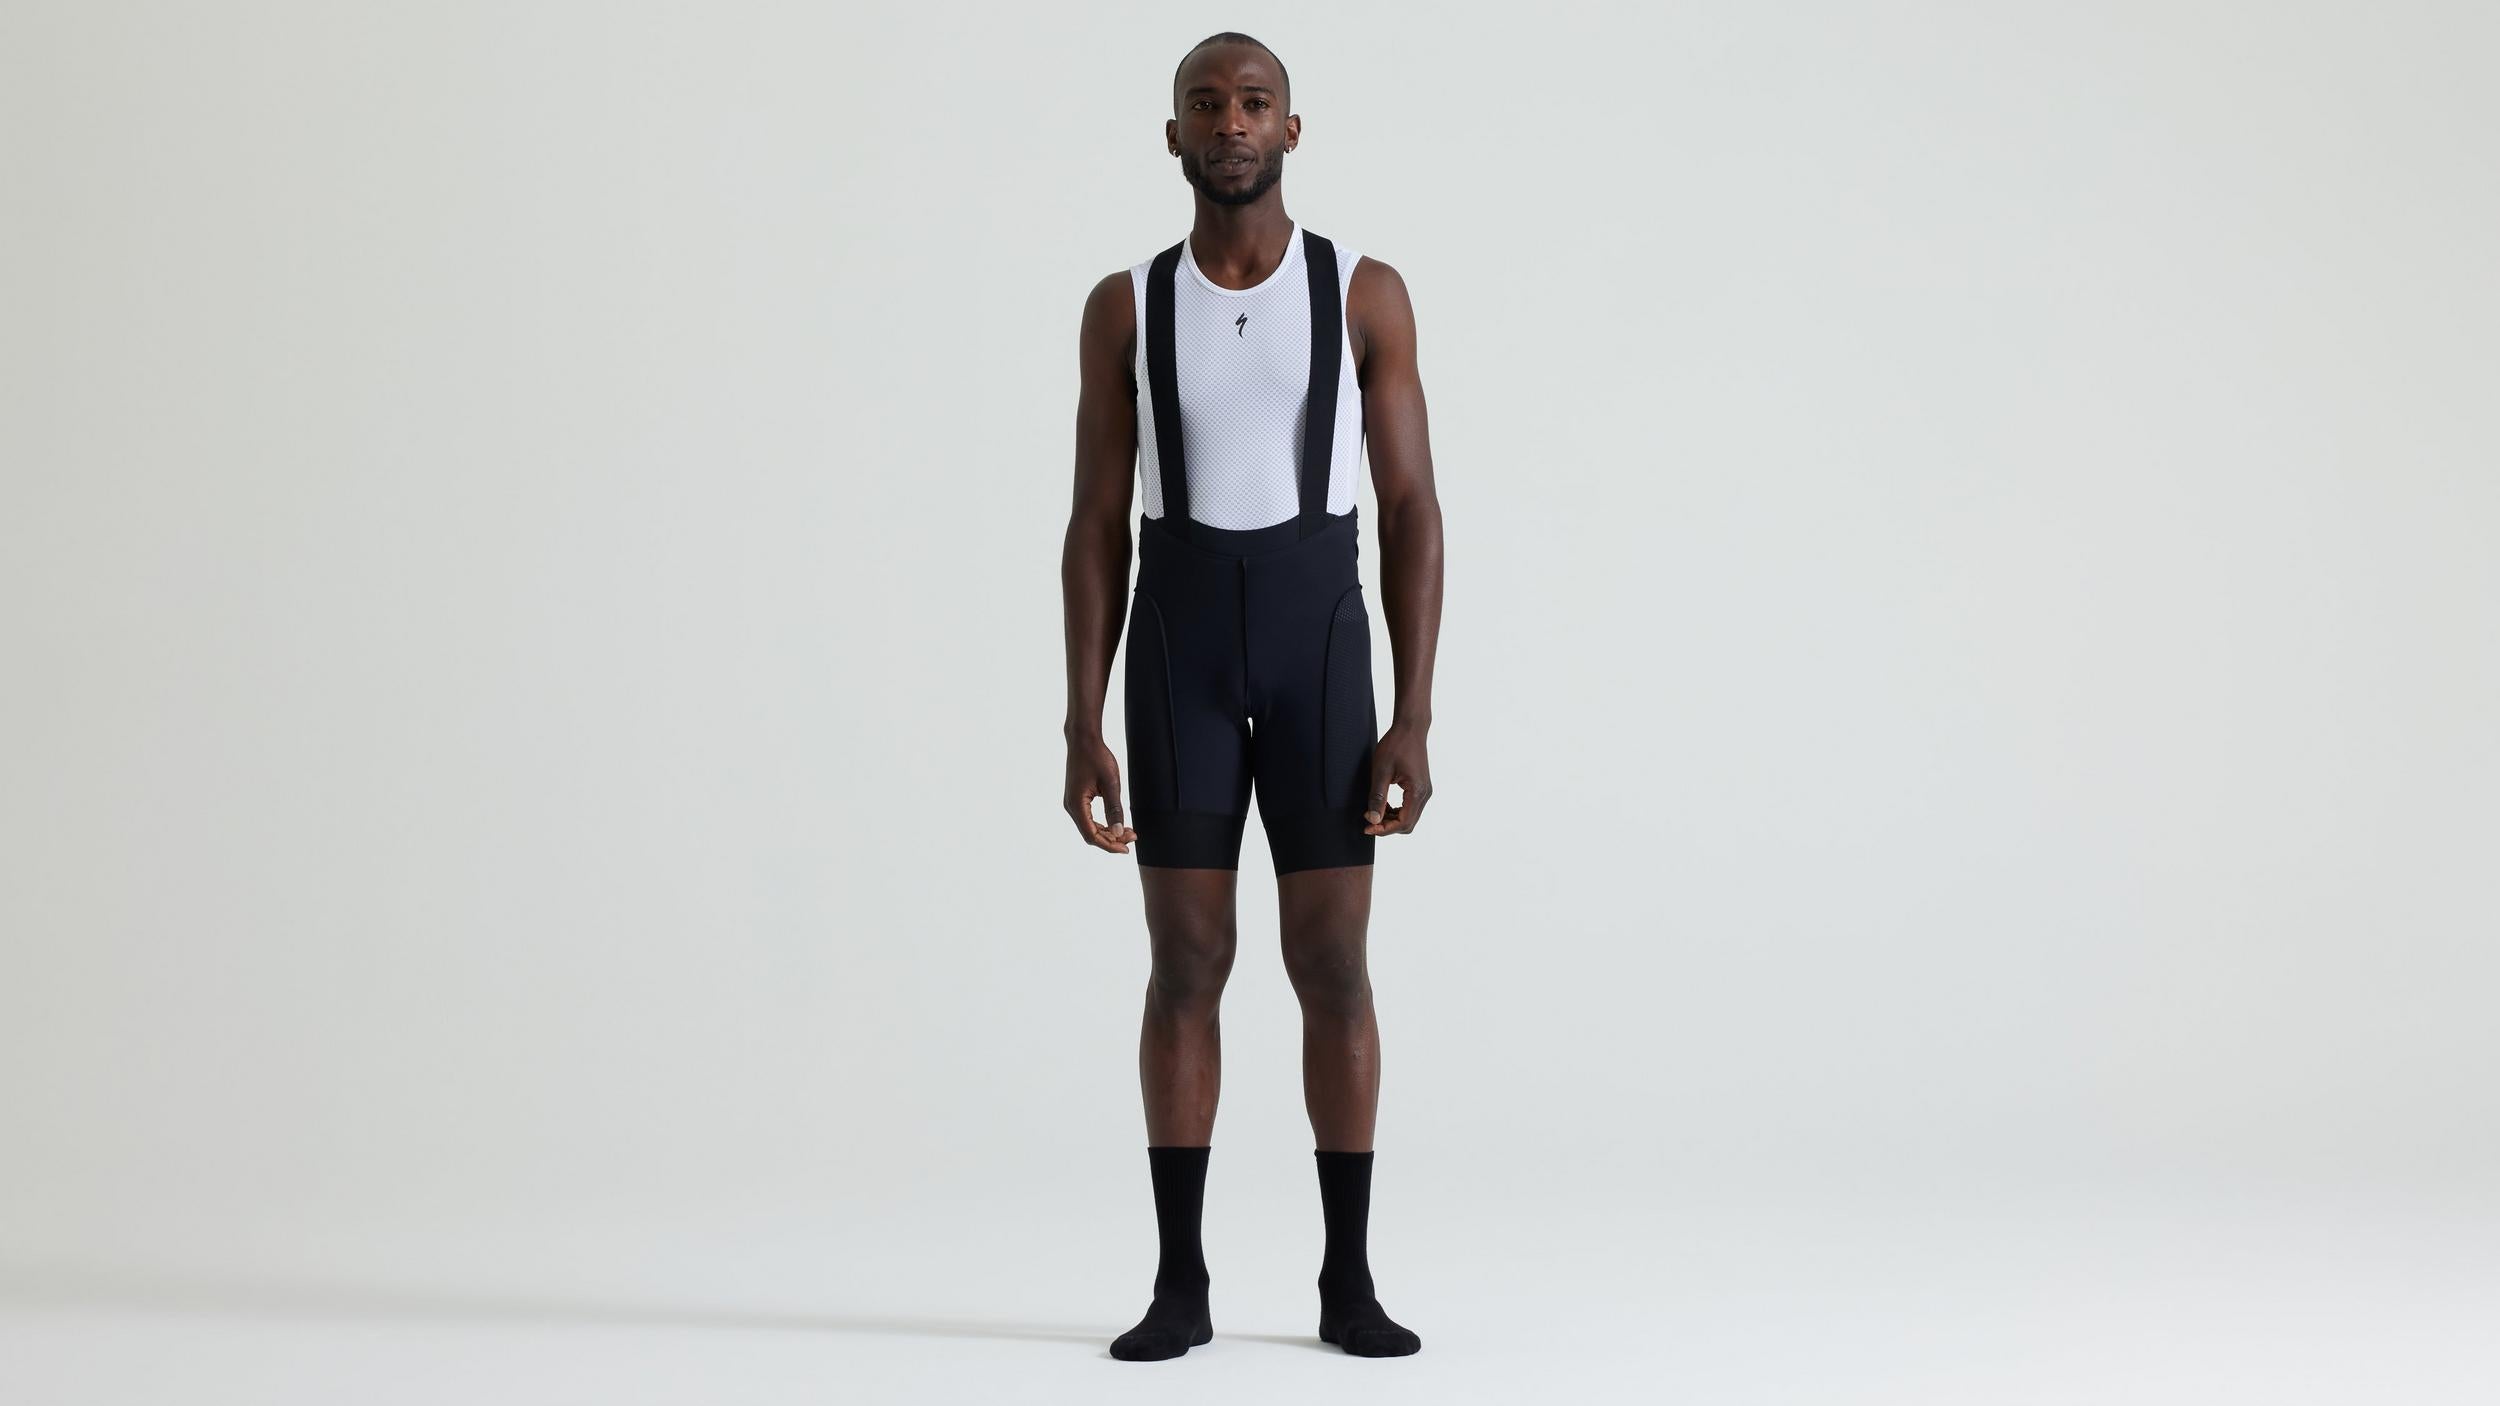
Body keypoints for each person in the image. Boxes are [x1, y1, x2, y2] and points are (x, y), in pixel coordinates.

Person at [1058, 31, 1446, 1362]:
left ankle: (1349, 1280)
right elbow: (1094, 522)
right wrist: (1081, 719)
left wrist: (1413, 714)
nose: (1232, 121)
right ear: (1174, 135)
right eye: (1206, 104)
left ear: (1291, 128)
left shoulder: (1361, 292)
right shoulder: (1126, 306)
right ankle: (1181, 1284)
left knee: (1332, 962)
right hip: (1178, 647)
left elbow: (1411, 506)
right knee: (1186, 961)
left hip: (1317, 644)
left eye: (1255, 102)